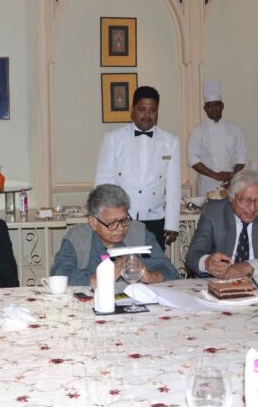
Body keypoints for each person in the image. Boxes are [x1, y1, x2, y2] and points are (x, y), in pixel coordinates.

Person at [95, 86, 181, 251]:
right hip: (120, 220)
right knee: (119, 266)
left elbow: (173, 187)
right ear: (132, 110)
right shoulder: (114, 138)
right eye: (142, 109)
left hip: (155, 219)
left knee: (154, 269)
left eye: (152, 110)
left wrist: (172, 223)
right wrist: (105, 220)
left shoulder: (170, 141)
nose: (147, 115)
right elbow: (103, 182)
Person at [50, 184, 179, 287]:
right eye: (112, 223)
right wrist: (99, 278)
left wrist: (150, 276)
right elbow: (59, 275)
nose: (120, 228)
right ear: (93, 222)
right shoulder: (78, 237)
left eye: (124, 220)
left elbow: (171, 271)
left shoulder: (138, 231)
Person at [185, 169, 258, 278]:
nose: (252, 208)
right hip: (218, 283)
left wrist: (250, 266)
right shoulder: (213, 212)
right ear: (231, 197)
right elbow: (193, 254)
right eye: (246, 200)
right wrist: (207, 262)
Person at [188, 80, 246, 196]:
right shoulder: (197, 130)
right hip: (207, 183)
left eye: (216, 105)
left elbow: (241, 157)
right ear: (205, 108)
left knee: (230, 212)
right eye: (210, 106)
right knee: (208, 213)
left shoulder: (235, 128)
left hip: (231, 182)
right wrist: (216, 175)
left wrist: (233, 180)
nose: (213, 109)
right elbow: (192, 159)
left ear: (222, 106)